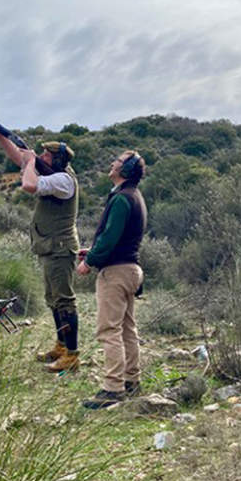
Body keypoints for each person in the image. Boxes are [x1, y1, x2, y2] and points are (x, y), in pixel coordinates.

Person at [0, 121, 81, 372]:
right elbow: (21, 159)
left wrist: (30, 163)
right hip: (51, 247)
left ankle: (71, 354)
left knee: (64, 301)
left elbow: (28, 184)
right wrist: (0, 137)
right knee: (53, 300)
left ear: (57, 160)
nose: (41, 157)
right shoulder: (55, 174)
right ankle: (61, 346)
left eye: (47, 155)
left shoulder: (63, 180)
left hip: (60, 248)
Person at [77, 150, 147, 409]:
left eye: (116, 162)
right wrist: (93, 251)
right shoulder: (135, 196)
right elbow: (115, 238)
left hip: (115, 273)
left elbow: (109, 238)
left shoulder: (121, 198)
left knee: (109, 330)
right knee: (128, 329)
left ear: (124, 170)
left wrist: (89, 261)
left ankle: (113, 388)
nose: (111, 163)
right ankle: (132, 380)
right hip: (131, 270)